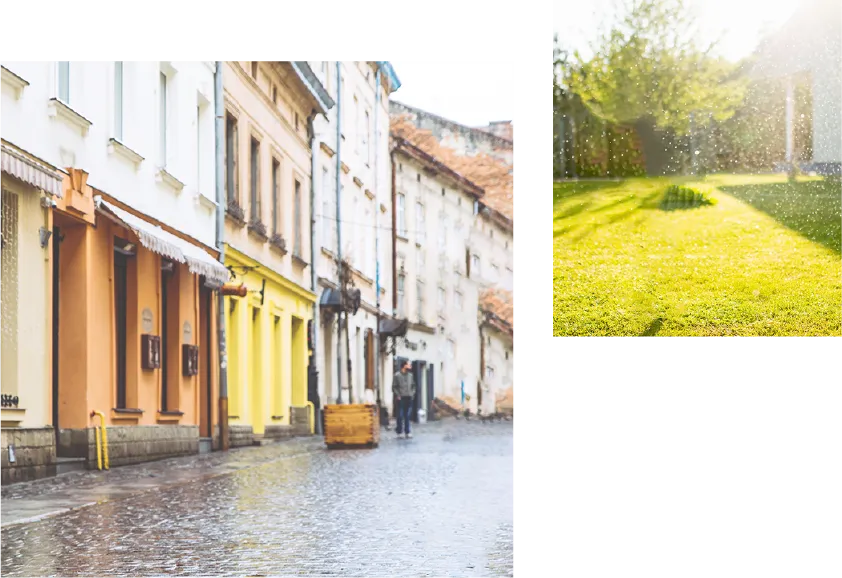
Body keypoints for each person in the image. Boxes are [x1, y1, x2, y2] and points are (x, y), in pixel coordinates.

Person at [392, 360, 416, 439]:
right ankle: (399, 432)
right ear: (404, 366)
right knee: (400, 415)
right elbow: (394, 386)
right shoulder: (397, 375)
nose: (410, 366)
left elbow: (413, 385)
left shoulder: (410, 375)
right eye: (409, 365)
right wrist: (398, 395)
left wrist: (412, 393)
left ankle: (407, 432)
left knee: (407, 415)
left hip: (409, 397)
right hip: (401, 398)